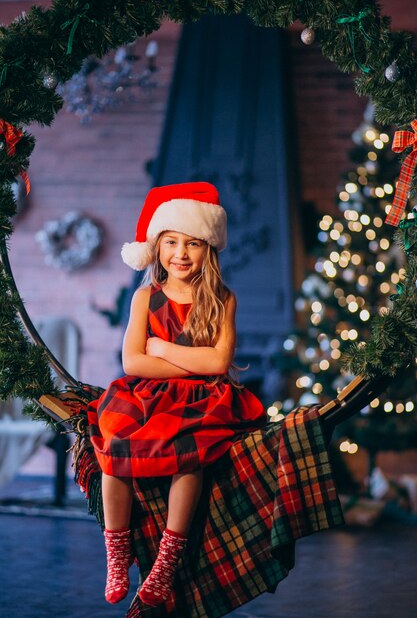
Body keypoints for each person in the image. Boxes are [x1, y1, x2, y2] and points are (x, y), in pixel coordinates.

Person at [87, 181, 267, 608]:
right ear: (157, 245)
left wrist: (165, 349)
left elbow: (218, 363)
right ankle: (117, 551)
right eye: (170, 242)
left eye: (192, 244)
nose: (181, 254)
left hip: (203, 398)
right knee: (113, 446)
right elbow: (133, 363)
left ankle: (167, 558)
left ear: (209, 250)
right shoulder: (145, 298)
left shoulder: (222, 300)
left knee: (190, 455)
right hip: (143, 393)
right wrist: (191, 360)